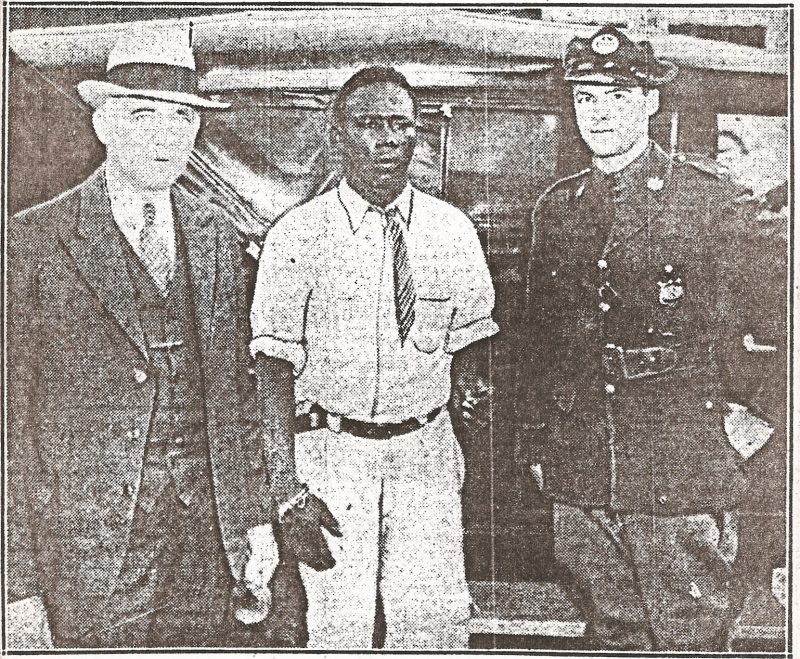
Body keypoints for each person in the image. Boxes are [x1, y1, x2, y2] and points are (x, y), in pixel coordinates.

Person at [6, 24, 285, 648]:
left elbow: (234, 398)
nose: (168, 137)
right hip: (89, 551)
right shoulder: (31, 242)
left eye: (183, 119)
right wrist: (14, 581)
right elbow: (11, 428)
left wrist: (253, 521)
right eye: (144, 115)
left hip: (207, 549)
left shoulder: (215, 234)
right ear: (104, 124)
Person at [515, 25, 783, 651]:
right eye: (586, 97)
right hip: (583, 459)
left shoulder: (707, 201)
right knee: (612, 632)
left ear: (651, 102)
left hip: (678, 456)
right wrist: (539, 439)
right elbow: (542, 341)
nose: (599, 112)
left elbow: (776, 322)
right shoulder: (559, 207)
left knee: (689, 630)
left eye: (617, 94)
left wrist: (757, 419)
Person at [249, 66, 498, 648]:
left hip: (426, 454)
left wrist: (470, 400)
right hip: (333, 456)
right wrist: (288, 492)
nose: (388, 140)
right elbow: (271, 374)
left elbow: (474, 348)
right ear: (337, 135)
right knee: (338, 629)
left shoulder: (452, 231)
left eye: (401, 125)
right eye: (368, 125)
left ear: (418, 135)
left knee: (435, 628)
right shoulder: (297, 235)